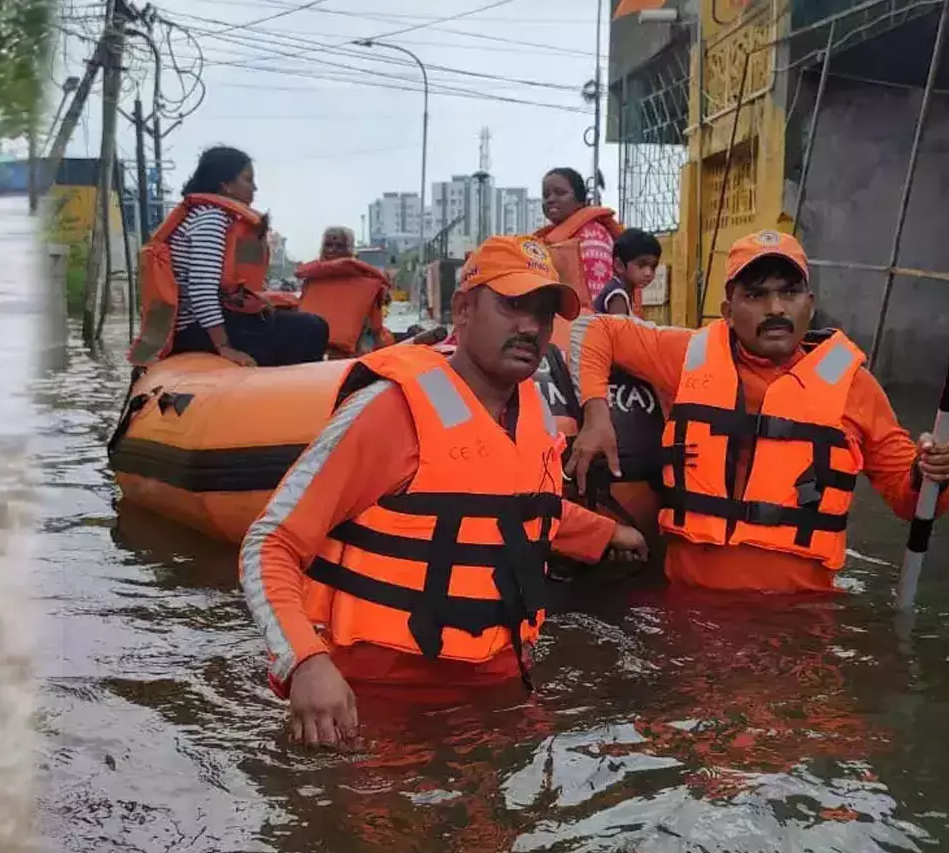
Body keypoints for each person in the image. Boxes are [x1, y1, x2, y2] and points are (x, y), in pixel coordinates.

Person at [239, 235, 650, 748]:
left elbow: (521, 512)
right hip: (377, 703)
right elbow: (269, 544)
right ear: (463, 309)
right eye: (512, 304)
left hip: (497, 690)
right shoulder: (389, 411)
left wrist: (608, 532)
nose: (531, 327)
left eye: (544, 313)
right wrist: (304, 661)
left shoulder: (533, 415)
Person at [565, 229, 949, 594]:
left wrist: (932, 471)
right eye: (755, 295)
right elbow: (598, 330)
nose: (775, 308)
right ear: (728, 311)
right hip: (691, 613)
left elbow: (912, 502)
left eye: (789, 293)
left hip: (798, 624)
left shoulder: (853, 386)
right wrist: (597, 414)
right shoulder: (688, 355)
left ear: (809, 304)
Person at [125, 145, 329, 368]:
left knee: (290, 319)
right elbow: (202, 290)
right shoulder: (211, 220)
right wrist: (225, 347)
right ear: (226, 185)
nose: (255, 187)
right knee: (311, 328)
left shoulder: (203, 216)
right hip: (195, 330)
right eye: (248, 180)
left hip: (202, 325)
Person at [535, 167, 624, 335]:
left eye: (560, 193)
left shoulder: (593, 234)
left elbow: (599, 297)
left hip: (586, 332)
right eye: (546, 195)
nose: (551, 199)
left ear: (580, 200)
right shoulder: (550, 238)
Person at [296, 225, 394, 357]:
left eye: (339, 246)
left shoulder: (368, 284)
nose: (332, 250)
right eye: (328, 245)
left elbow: (374, 326)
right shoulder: (310, 281)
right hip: (315, 352)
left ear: (349, 250)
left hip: (347, 353)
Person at [595, 228, 662, 317]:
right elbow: (620, 330)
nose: (648, 273)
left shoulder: (625, 291)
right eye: (641, 265)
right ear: (619, 265)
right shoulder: (617, 296)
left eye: (653, 267)